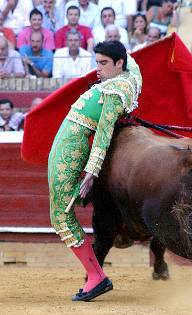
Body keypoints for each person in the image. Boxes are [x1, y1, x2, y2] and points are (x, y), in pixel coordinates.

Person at [48, 40, 142, 301]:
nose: (97, 70)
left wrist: (91, 173)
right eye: (97, 62)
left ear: (118, 63)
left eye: (103, 63)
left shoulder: (116, 92)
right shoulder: (130, 76)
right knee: (60, 213)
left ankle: (96, 276)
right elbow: (131, 59)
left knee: (60, 217)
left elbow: (103, 132)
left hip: (72, 148)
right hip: (68, 143)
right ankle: (95, 275)